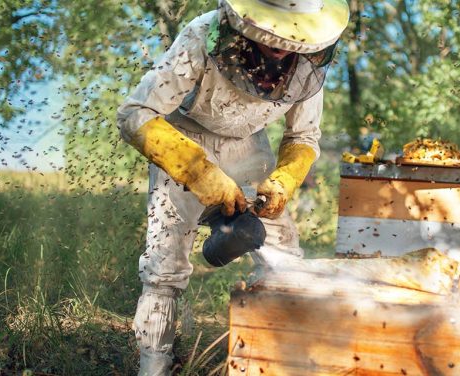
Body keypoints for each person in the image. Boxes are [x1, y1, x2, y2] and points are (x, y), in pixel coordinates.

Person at [116, 0, 349, 374]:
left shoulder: (309, 59)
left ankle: (285, 360)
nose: (284, 43)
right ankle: (154, 364)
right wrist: (197, 171)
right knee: (165, 265)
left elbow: (304, 135)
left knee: (283, 259)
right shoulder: (201, 35)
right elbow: (135, 115)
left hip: (249, 146)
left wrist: (286, 177)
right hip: (183, 139)